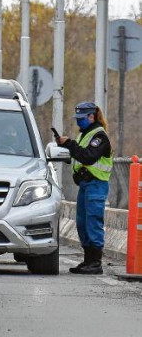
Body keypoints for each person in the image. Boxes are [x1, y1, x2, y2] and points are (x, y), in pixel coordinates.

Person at [57, 102, 113, 275]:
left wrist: (70, 145)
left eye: (82, 119)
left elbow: (88, 157)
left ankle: (95, 262)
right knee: (82, 223)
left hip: (96, 184)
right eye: (77, 119)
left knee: (93, 221)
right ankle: (88, 260)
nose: (78, 122)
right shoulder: (85, 134)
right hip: (85, 185)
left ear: (91, 116)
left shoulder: (99, 136)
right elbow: (79, 156)